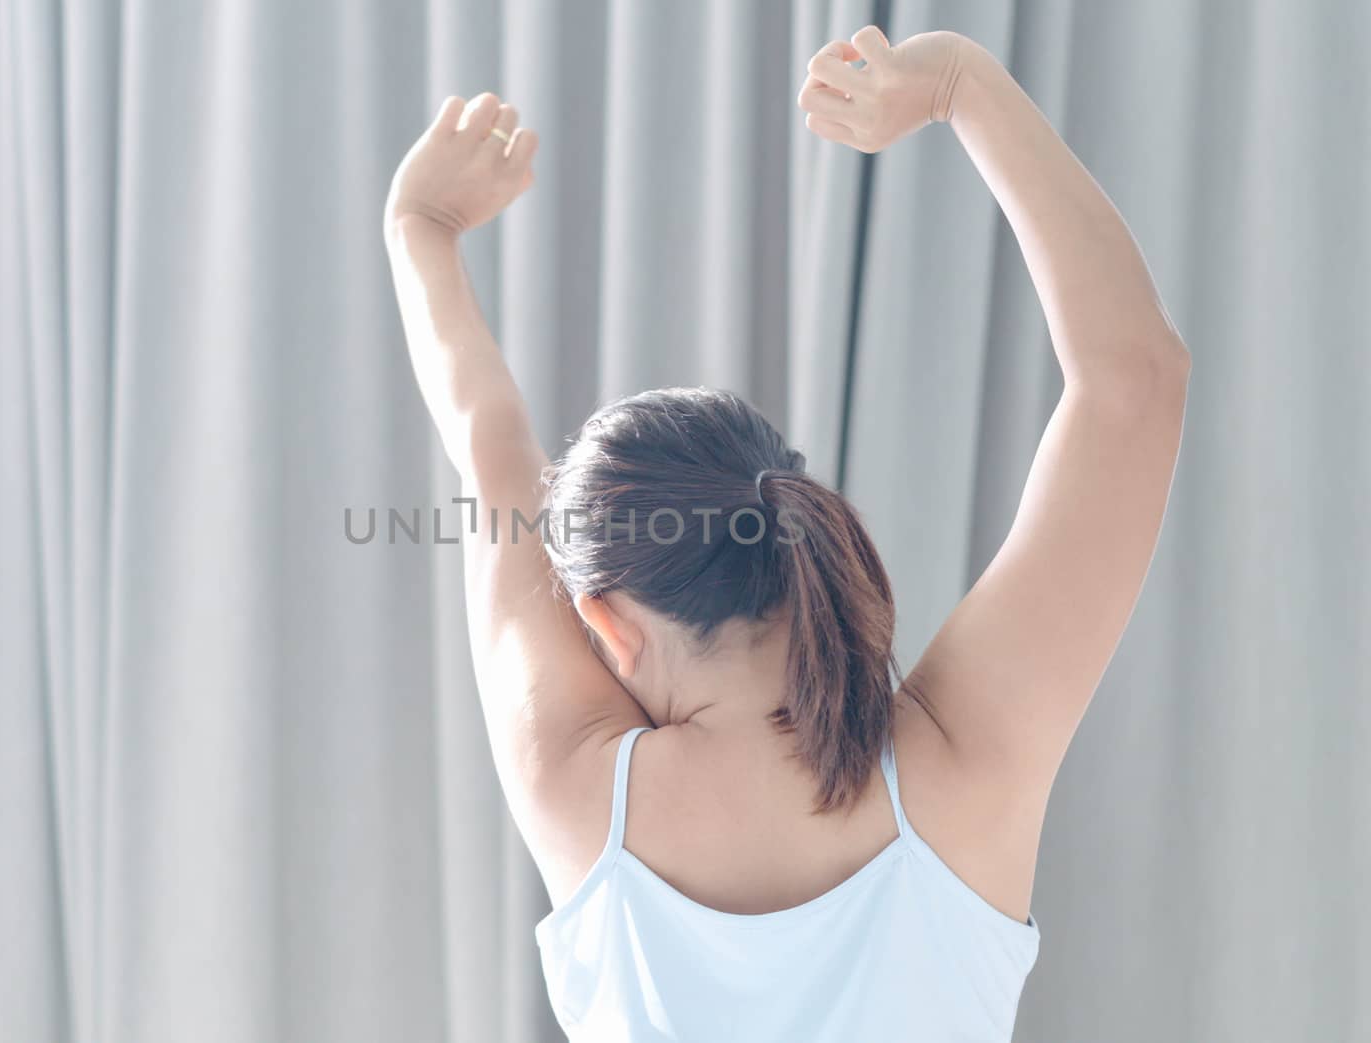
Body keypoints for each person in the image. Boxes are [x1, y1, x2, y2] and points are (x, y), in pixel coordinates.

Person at [382, 24, 1189, 1043]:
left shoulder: (580, 788)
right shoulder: (961, 762)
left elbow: (490, 454)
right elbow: (1134, 382)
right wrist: (957, 81)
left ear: (607, 624)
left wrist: (418, 227)